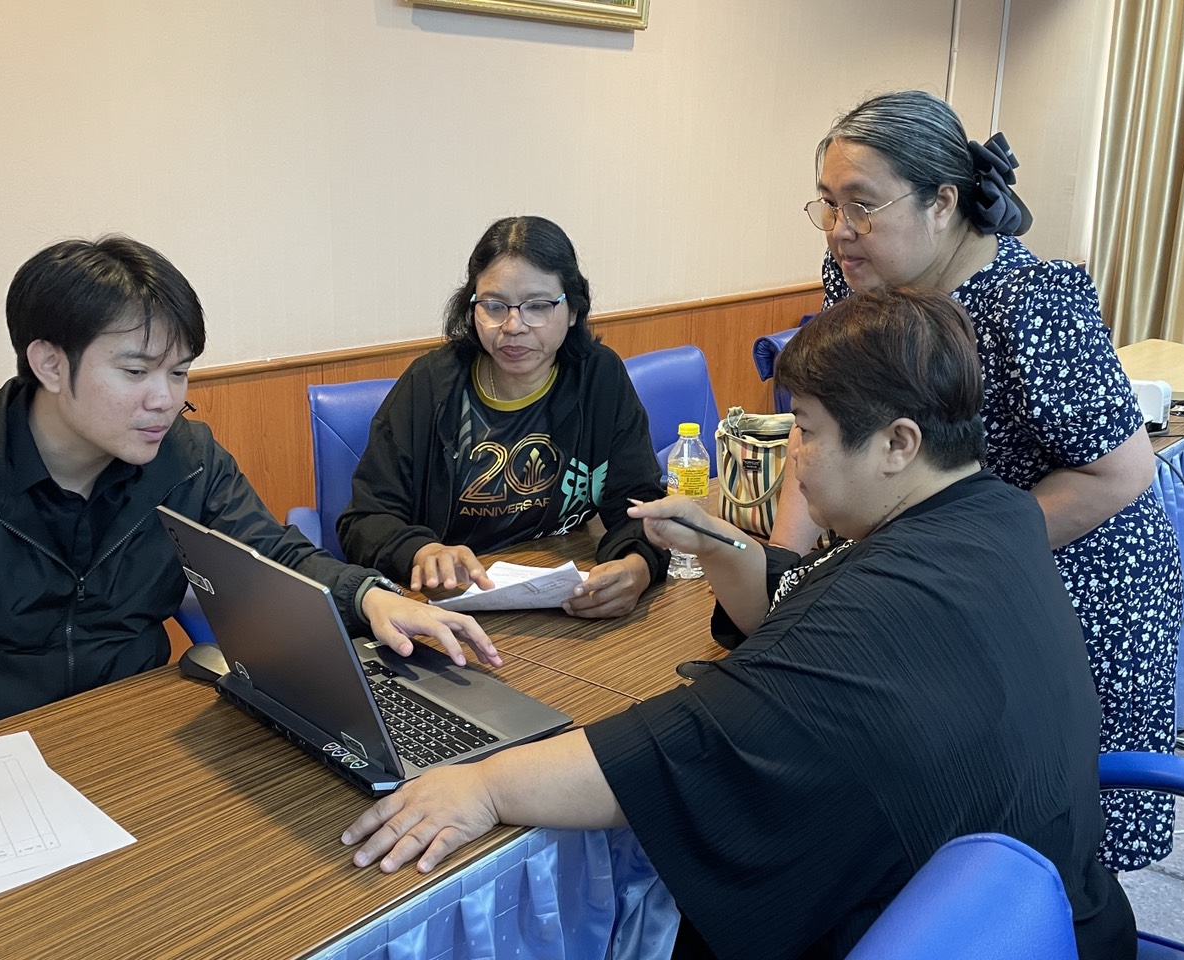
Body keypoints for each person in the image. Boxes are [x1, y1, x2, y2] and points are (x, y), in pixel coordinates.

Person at [341, 289, 1136, 960]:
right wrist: (718, 540)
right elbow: (801, 596)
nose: (795, 456)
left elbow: (685, 748)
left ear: (898, 444)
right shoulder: (994, 515)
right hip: (1040, 909)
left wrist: (483, 785)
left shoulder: (884, 605)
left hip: (916, 928)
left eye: (809, 432)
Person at [0, 235, 499, 772]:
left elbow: (272, 557)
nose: (165, 399)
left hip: (136, 749)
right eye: (137, 371)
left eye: (180, 372)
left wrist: (369, 596)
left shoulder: (185, 459)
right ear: (49, 363)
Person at [772, 90, 1183, 872]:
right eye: (827, 204)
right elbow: (818, 418)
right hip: (946, 568)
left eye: (861, 205)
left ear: (942, 203)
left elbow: (1119, 471)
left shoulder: (1031, 303)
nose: (839, 230)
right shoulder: (856, 277)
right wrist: (782, 570)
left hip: (1073, 579)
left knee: (1051, 831)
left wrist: (945, 557)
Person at [337, 216, 668, 618]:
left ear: (573, 310)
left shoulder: (598, 378)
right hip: (447, 607)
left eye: (538, 306)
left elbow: (639, 501)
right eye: (493, 306)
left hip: (560, 603)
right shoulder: (430, 385)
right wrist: (422, 551)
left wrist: (638, 566)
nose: (513, 326)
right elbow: (364, 520)